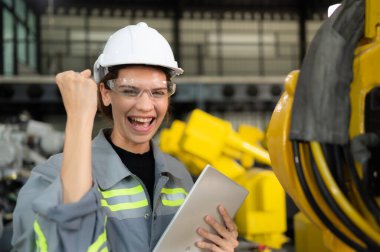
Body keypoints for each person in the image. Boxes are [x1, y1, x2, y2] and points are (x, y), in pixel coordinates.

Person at [11, 22, 239, 251]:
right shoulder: (53, 176)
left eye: (158, 92)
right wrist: (80, 117)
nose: (145, 106)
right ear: (105, 93)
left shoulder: (178, 176)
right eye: (130, 90)